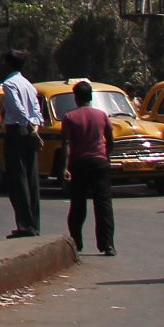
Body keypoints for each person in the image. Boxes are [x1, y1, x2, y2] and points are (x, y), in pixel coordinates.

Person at [60, 80, 116, 258]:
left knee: (78, 204)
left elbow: (66, 143)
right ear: (90, 97)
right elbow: (110, 139)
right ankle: (107, 245)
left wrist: (65, 167)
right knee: (103, 204)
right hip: (99, 162)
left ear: (75, 98)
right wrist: (106, 156)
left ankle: (76, 242)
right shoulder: (102, 115)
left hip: (79, 163)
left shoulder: (69, 117)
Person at [0, 50, 45, 237]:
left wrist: (28, 126)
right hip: (29, 130)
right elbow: (36, 111)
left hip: (17, 131)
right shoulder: (28, 85)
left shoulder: (9, 84)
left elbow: (17, 108)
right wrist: (35, 128)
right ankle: (34, 223)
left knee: (18, 178)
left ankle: (25, 225)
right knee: (31, 177)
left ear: (8, 65)